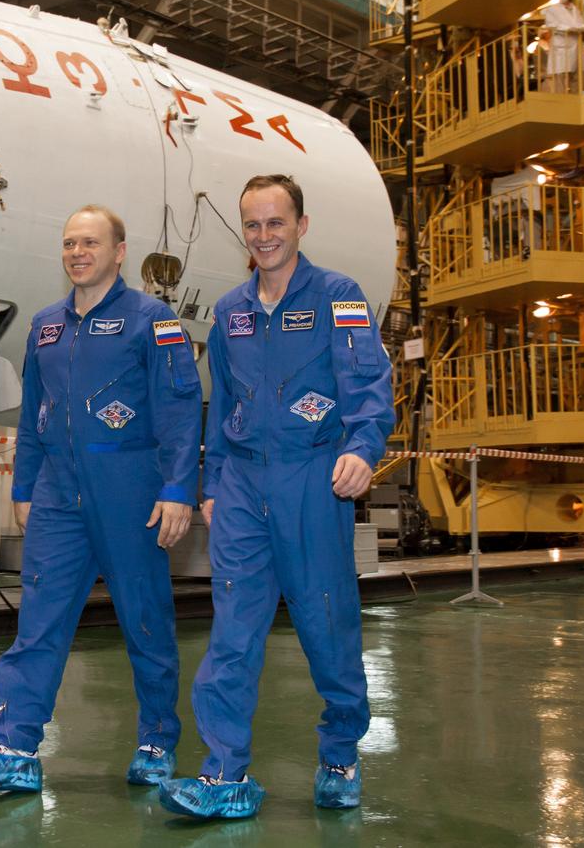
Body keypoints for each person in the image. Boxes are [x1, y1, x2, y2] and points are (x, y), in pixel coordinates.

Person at [158, 175, 394, 819]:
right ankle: (224, 771)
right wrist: (211, 481)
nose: (264, 236)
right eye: (254, 225)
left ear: (301, 225)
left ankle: (341, 752)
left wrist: (362, 447)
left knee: (325, 624)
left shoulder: (339, 297)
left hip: (312, 480)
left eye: (276, 223)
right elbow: (223, 400)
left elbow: (370, 383)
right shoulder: (232, 309)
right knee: (233, 630)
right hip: (240, 487)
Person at [0, 205, 203, 793]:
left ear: (120, 252)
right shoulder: (45, 326)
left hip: (131, 495)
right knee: (37, 624)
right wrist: (23, 486)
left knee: (145, 621)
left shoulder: (153, 320)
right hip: (58, 496)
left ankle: (156, 738)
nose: (78, 253)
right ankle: (12, 745)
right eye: (69, 243)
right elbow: (35, 417)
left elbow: (179, 409)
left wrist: (176, 489)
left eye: (90, 243)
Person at [542, 0, 584, 94]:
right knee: (560, 80)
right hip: (561, 47)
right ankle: (562, 103)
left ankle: (576, 101)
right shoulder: (552, 9)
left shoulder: (575, 9)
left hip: (576, 46)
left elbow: (581, 23)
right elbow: (552, 25)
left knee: (578, 77)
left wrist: (580, 28)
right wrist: (569, 28)